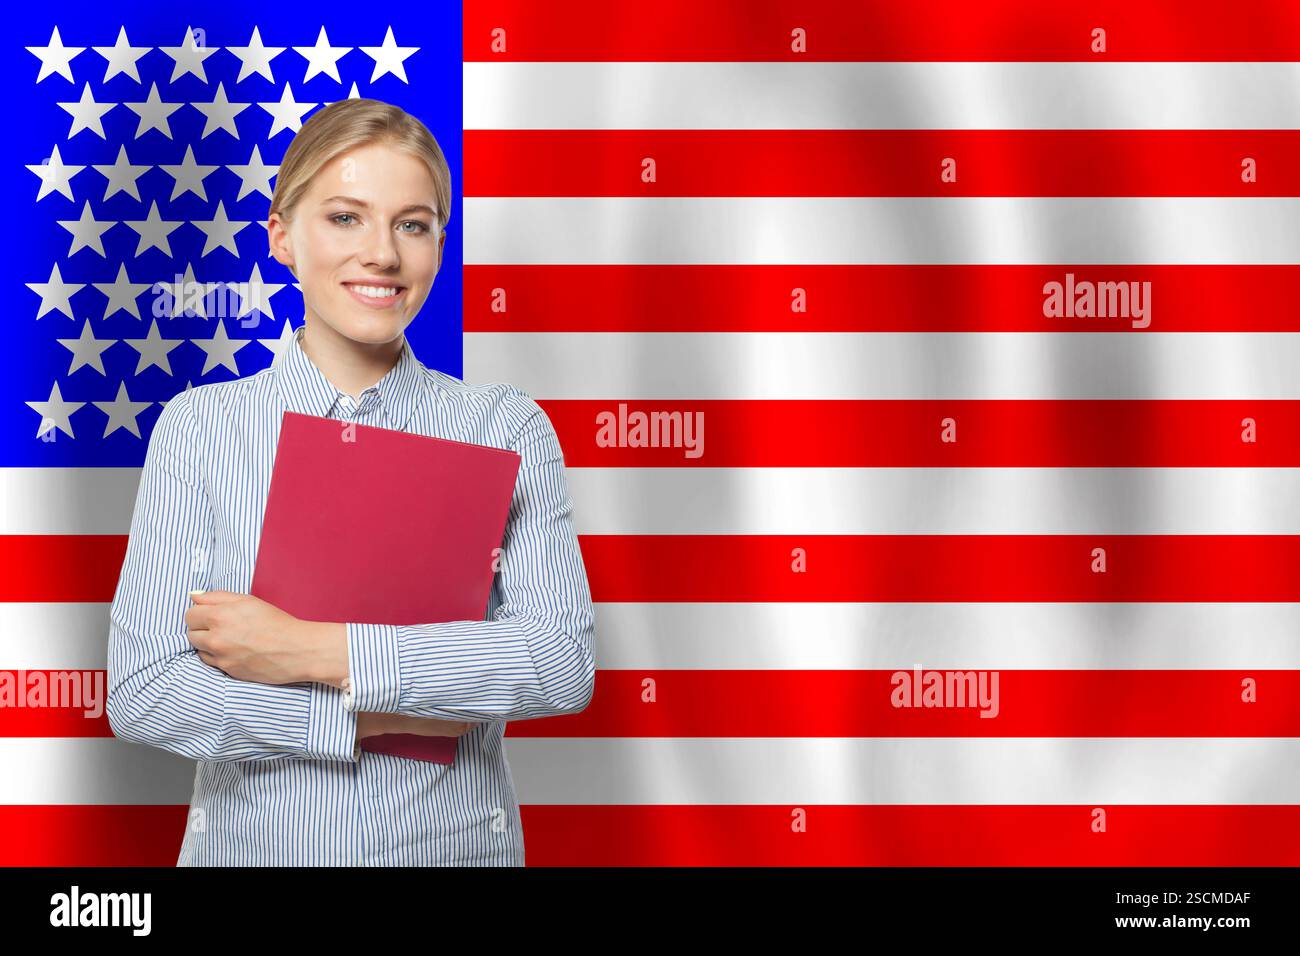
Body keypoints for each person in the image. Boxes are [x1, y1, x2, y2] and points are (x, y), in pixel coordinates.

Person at [105, 98, 596, 866]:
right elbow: (145, 690)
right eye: (344, 218)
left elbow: (558, 662)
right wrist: (356, 719)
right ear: (283, 238)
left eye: (412, 223)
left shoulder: (505, 428)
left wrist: (312, 650)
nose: (382, 255)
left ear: (438, 243)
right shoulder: (199, 430)